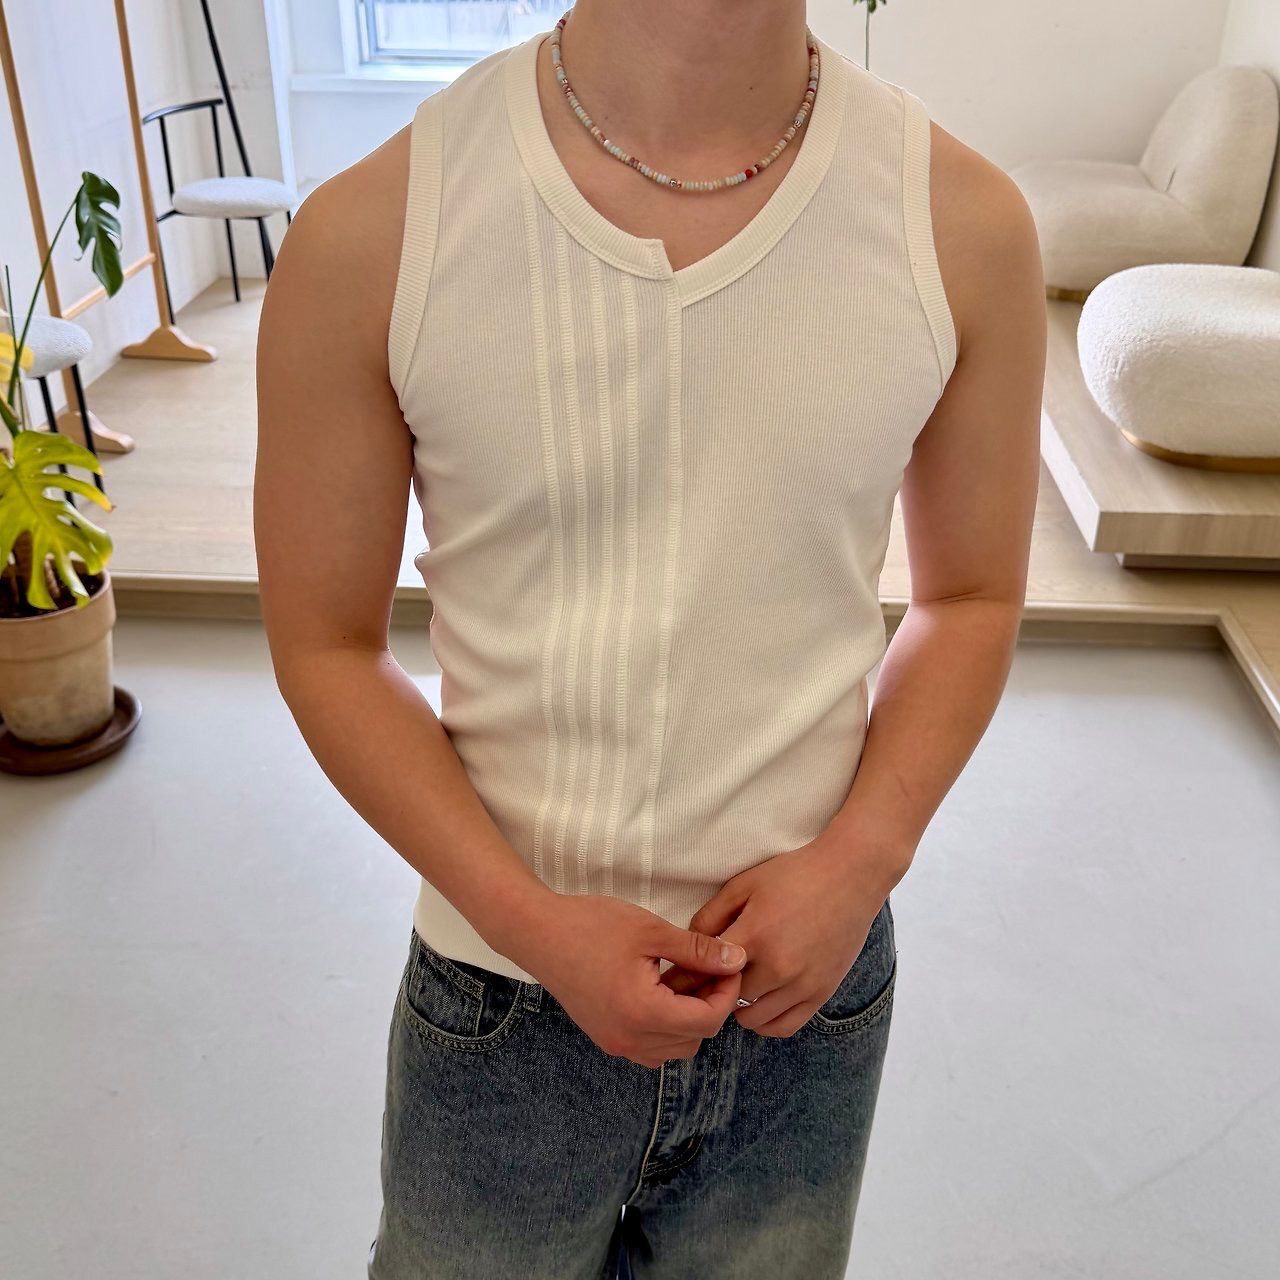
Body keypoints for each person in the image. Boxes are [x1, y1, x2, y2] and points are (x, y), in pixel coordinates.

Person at [254, 0, 1046, 1275]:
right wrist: (527, 916)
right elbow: (326, 643)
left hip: (803, 995)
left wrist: (860, 855)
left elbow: (971, 598)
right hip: (496, 994)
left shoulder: (962, 226)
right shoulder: (372, 232)